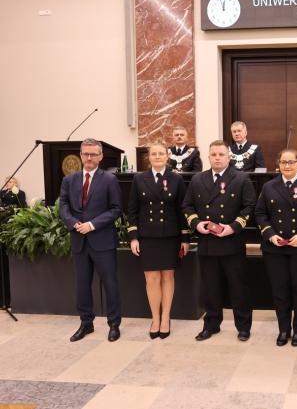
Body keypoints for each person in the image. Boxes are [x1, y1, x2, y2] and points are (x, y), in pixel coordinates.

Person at [183, 140, 256, 342]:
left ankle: (243, 327)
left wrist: (233, 227)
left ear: (228, 157)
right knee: (210, 288)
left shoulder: (241, 178)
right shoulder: (198, 179)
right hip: (207, 243)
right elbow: (187, 206)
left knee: (238, 288)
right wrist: (196, 223)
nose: (217, 158)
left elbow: (249, 207)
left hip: (232, 242)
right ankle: (211, 325)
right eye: (213, 154)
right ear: (208, 157)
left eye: (221, 154)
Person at [255, 149, 297, 347]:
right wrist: (270, 234)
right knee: (280, 290)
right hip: (275, 248)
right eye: (283, 162)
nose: (287, 166)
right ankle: (283, 329)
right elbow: (260, 214)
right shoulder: (269, 186)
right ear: (278, 164)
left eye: (291, 162)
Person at [59, 138, 123, 342]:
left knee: (110, 284)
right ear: (80, 155)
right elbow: (63, 206)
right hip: (79, 240)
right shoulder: (69, 180)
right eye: (85, 154)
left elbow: (116, 209)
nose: (89, 158)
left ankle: (114, 324)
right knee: (82, 285)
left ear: (100, 156)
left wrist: (92, 224)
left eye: (93, 154)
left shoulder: (110, 180)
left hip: (102, 241)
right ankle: (86, 323)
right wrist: (73, 222)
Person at [127, 142, 191, 339]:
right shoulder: (139, 179)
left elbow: (182, 210)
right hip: (147, 237)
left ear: (167, 156)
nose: (157, 157)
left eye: (161, 153)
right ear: (149, 157)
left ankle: (166, 317)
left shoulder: (176, 179)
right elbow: (132, 211)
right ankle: (155, 318)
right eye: (153, 154)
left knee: (168, 277)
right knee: (152, 279)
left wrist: (185, 238)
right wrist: (133, 237)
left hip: (170, 236)